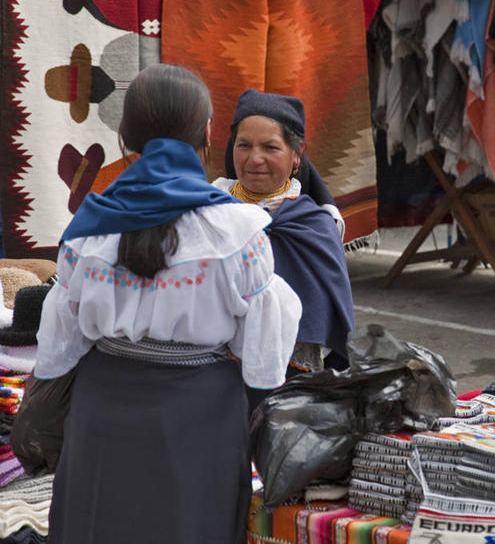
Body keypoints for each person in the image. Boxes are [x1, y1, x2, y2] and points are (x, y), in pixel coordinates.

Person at [34, 64, 302, 544]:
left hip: (102, 411)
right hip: (199, 418)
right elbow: (262, 362)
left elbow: (58, 354)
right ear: (207, 132)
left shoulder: (86, 229)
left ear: (124, 134)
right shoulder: (237, 231)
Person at [213, 89, 354, 381]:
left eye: (270, 147)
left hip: (287, 381)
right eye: (244, 145)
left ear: (296, 155)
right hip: (208, 371)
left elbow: (326, 314)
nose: (255, 159)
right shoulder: (207, 210)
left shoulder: (315, 226)